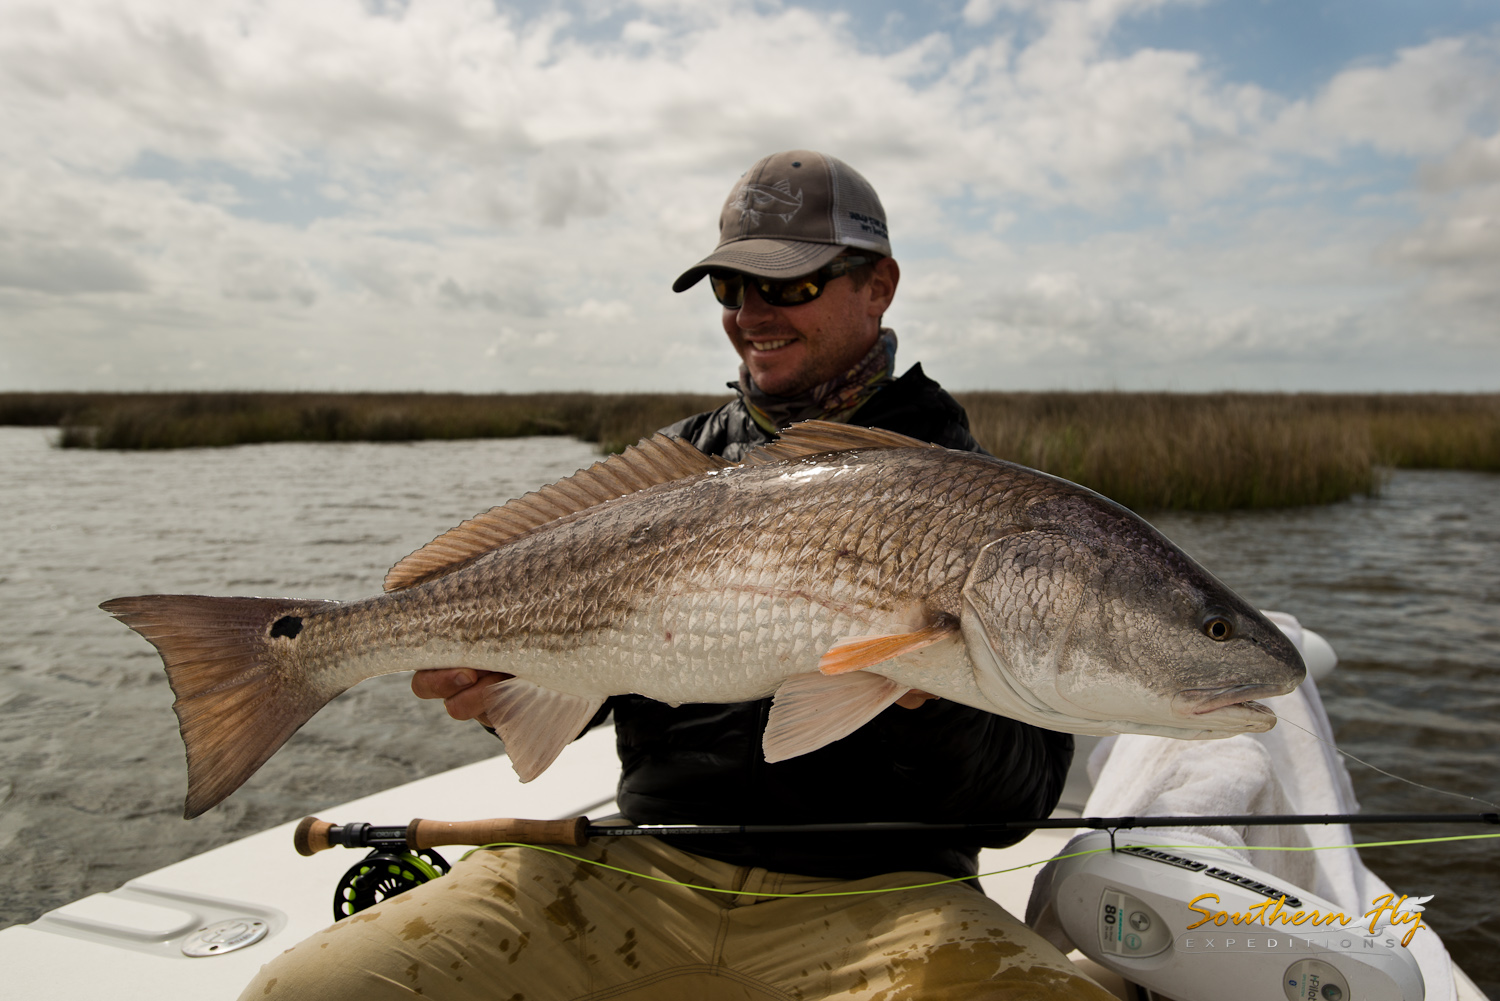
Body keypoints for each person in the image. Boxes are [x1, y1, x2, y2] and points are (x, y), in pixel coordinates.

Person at [242, 151, 1111, 1000]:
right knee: (305, 988)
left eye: (790, 284)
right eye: (732, 288)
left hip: (884, 899)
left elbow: (1017, 803)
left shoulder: (988, 504)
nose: (751, 313)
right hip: (639, 866)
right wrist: (497, 676)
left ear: (877, 285)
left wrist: (929, 696)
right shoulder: (672, 471)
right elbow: (586, 694)